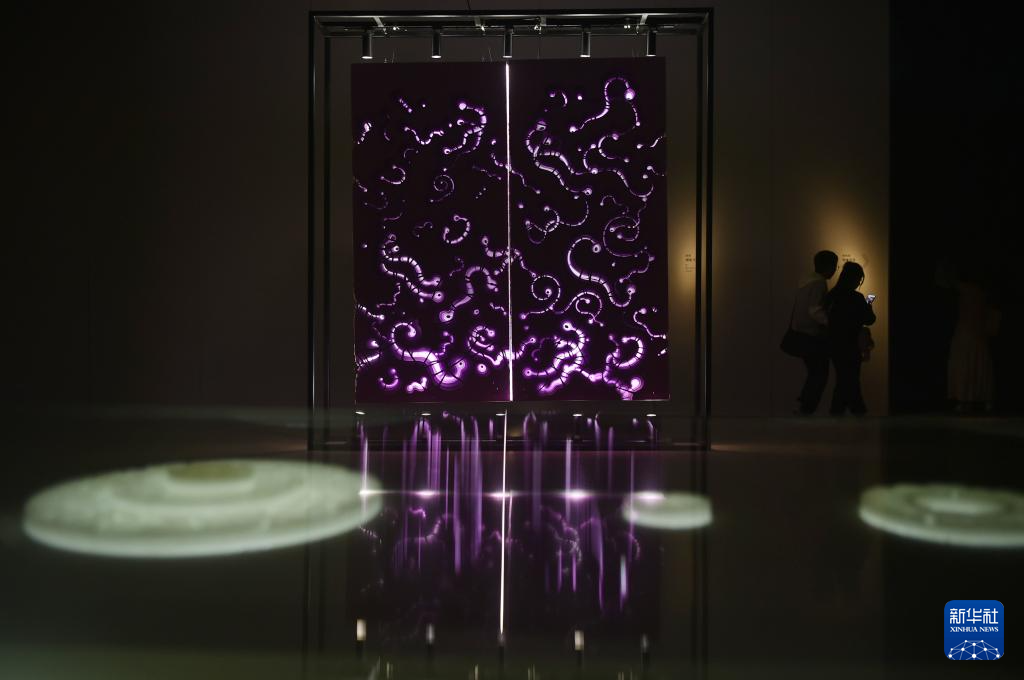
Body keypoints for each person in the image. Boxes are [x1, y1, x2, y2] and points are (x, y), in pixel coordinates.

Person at [790, 250, 839, 414]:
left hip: (801, 334)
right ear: (827, 266)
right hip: (813, 336)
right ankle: (806, 408)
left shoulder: (805, 281)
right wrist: (831, 322)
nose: (835, 269)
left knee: (814, 373)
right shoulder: (819, 283)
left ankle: (804, 405)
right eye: (834, 266)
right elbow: (815, 310)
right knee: (820, 374)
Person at [823, 261, 876, 415]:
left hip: (834, 344)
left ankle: (842, 411)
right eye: (859, 279)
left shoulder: (832, 295)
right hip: (851, 344)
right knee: (850, 379)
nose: (859, 283)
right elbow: (869, 319)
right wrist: (868, 305)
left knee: (844, 379)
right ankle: (853, 410)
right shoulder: (857, 298)